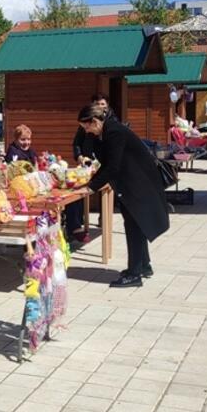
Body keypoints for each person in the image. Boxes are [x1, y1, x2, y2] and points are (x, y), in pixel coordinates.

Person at [79, 104, 169, 288]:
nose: (86, 131)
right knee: (137, 224)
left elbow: (113, 166)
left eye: (86, 126)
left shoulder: (115, 132)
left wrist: (90, 188)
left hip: (139, 184)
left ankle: (134, 274)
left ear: (95, 122)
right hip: (134, 183)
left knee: (135, 227)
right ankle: (143, 265)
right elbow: (103, 161)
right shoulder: (106, 131)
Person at [72, 93, 114, 160]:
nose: (100, 106)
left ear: (107, 105)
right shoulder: (86, 121)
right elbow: (77, 142)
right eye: (97, 104)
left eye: (102, 104)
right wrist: (79, 156)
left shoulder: (113, 123)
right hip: (88, 158)